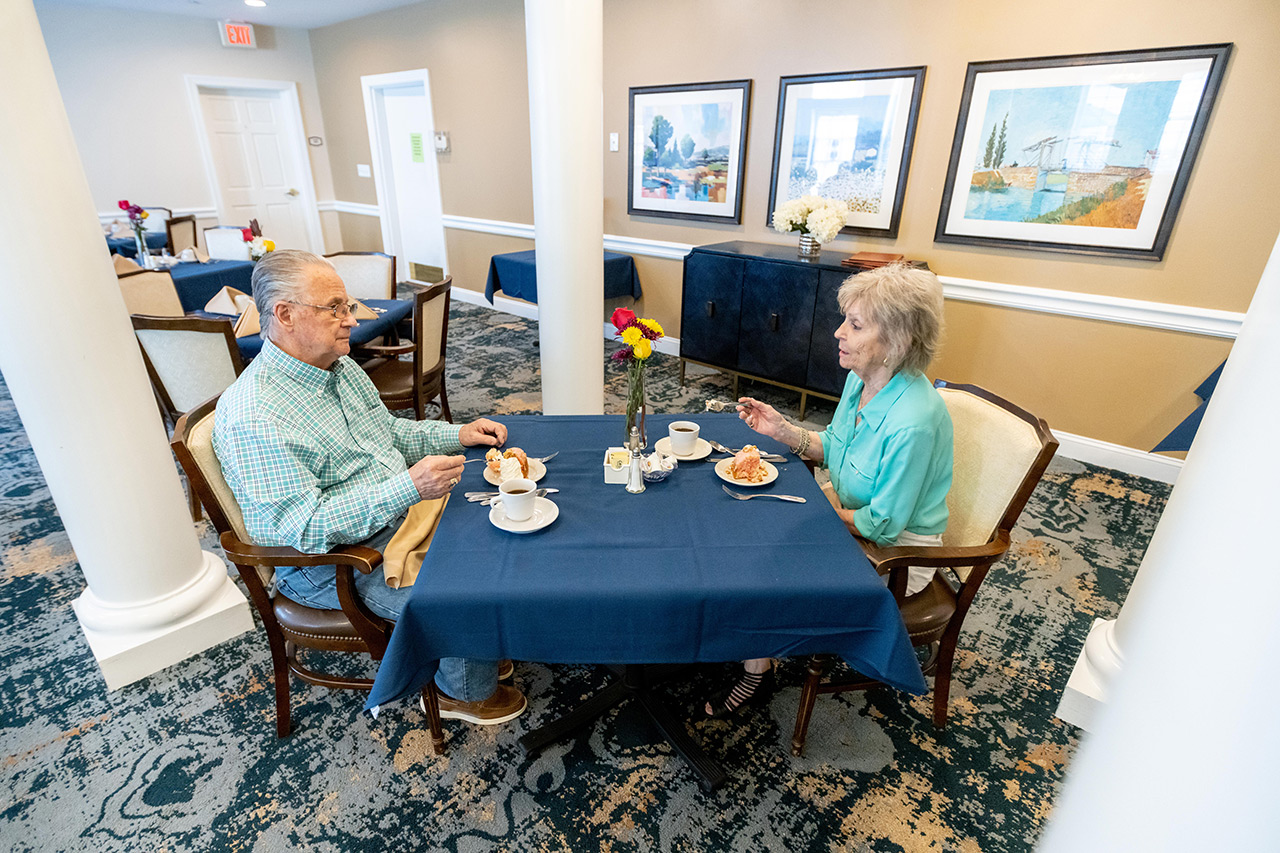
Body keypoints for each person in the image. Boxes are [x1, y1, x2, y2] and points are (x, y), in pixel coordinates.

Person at [213, 250, 526, 726]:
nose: (351, 319)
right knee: (469, 591)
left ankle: (473, 649)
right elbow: (306, 527)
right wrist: (406, 488)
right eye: (335, 307)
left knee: (495, 539)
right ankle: (462, 692)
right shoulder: (256, 416)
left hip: (390, 518)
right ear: (285, 315)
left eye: (348, 304)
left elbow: (390, 435)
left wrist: (457, 434)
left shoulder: (338, 368)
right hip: (332, 561)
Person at [705, 263, 953, 718]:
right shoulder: (863, 378)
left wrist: (811, 509)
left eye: (855, 325)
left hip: (896, 553)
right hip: (847, 511)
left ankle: (758, 670)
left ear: (897, 340)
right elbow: (835, 448)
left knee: (759, 562)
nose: (838, 333)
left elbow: (883, 524)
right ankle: (747, 637)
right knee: (741, 523)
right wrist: (781, 430)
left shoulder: (913, 422)